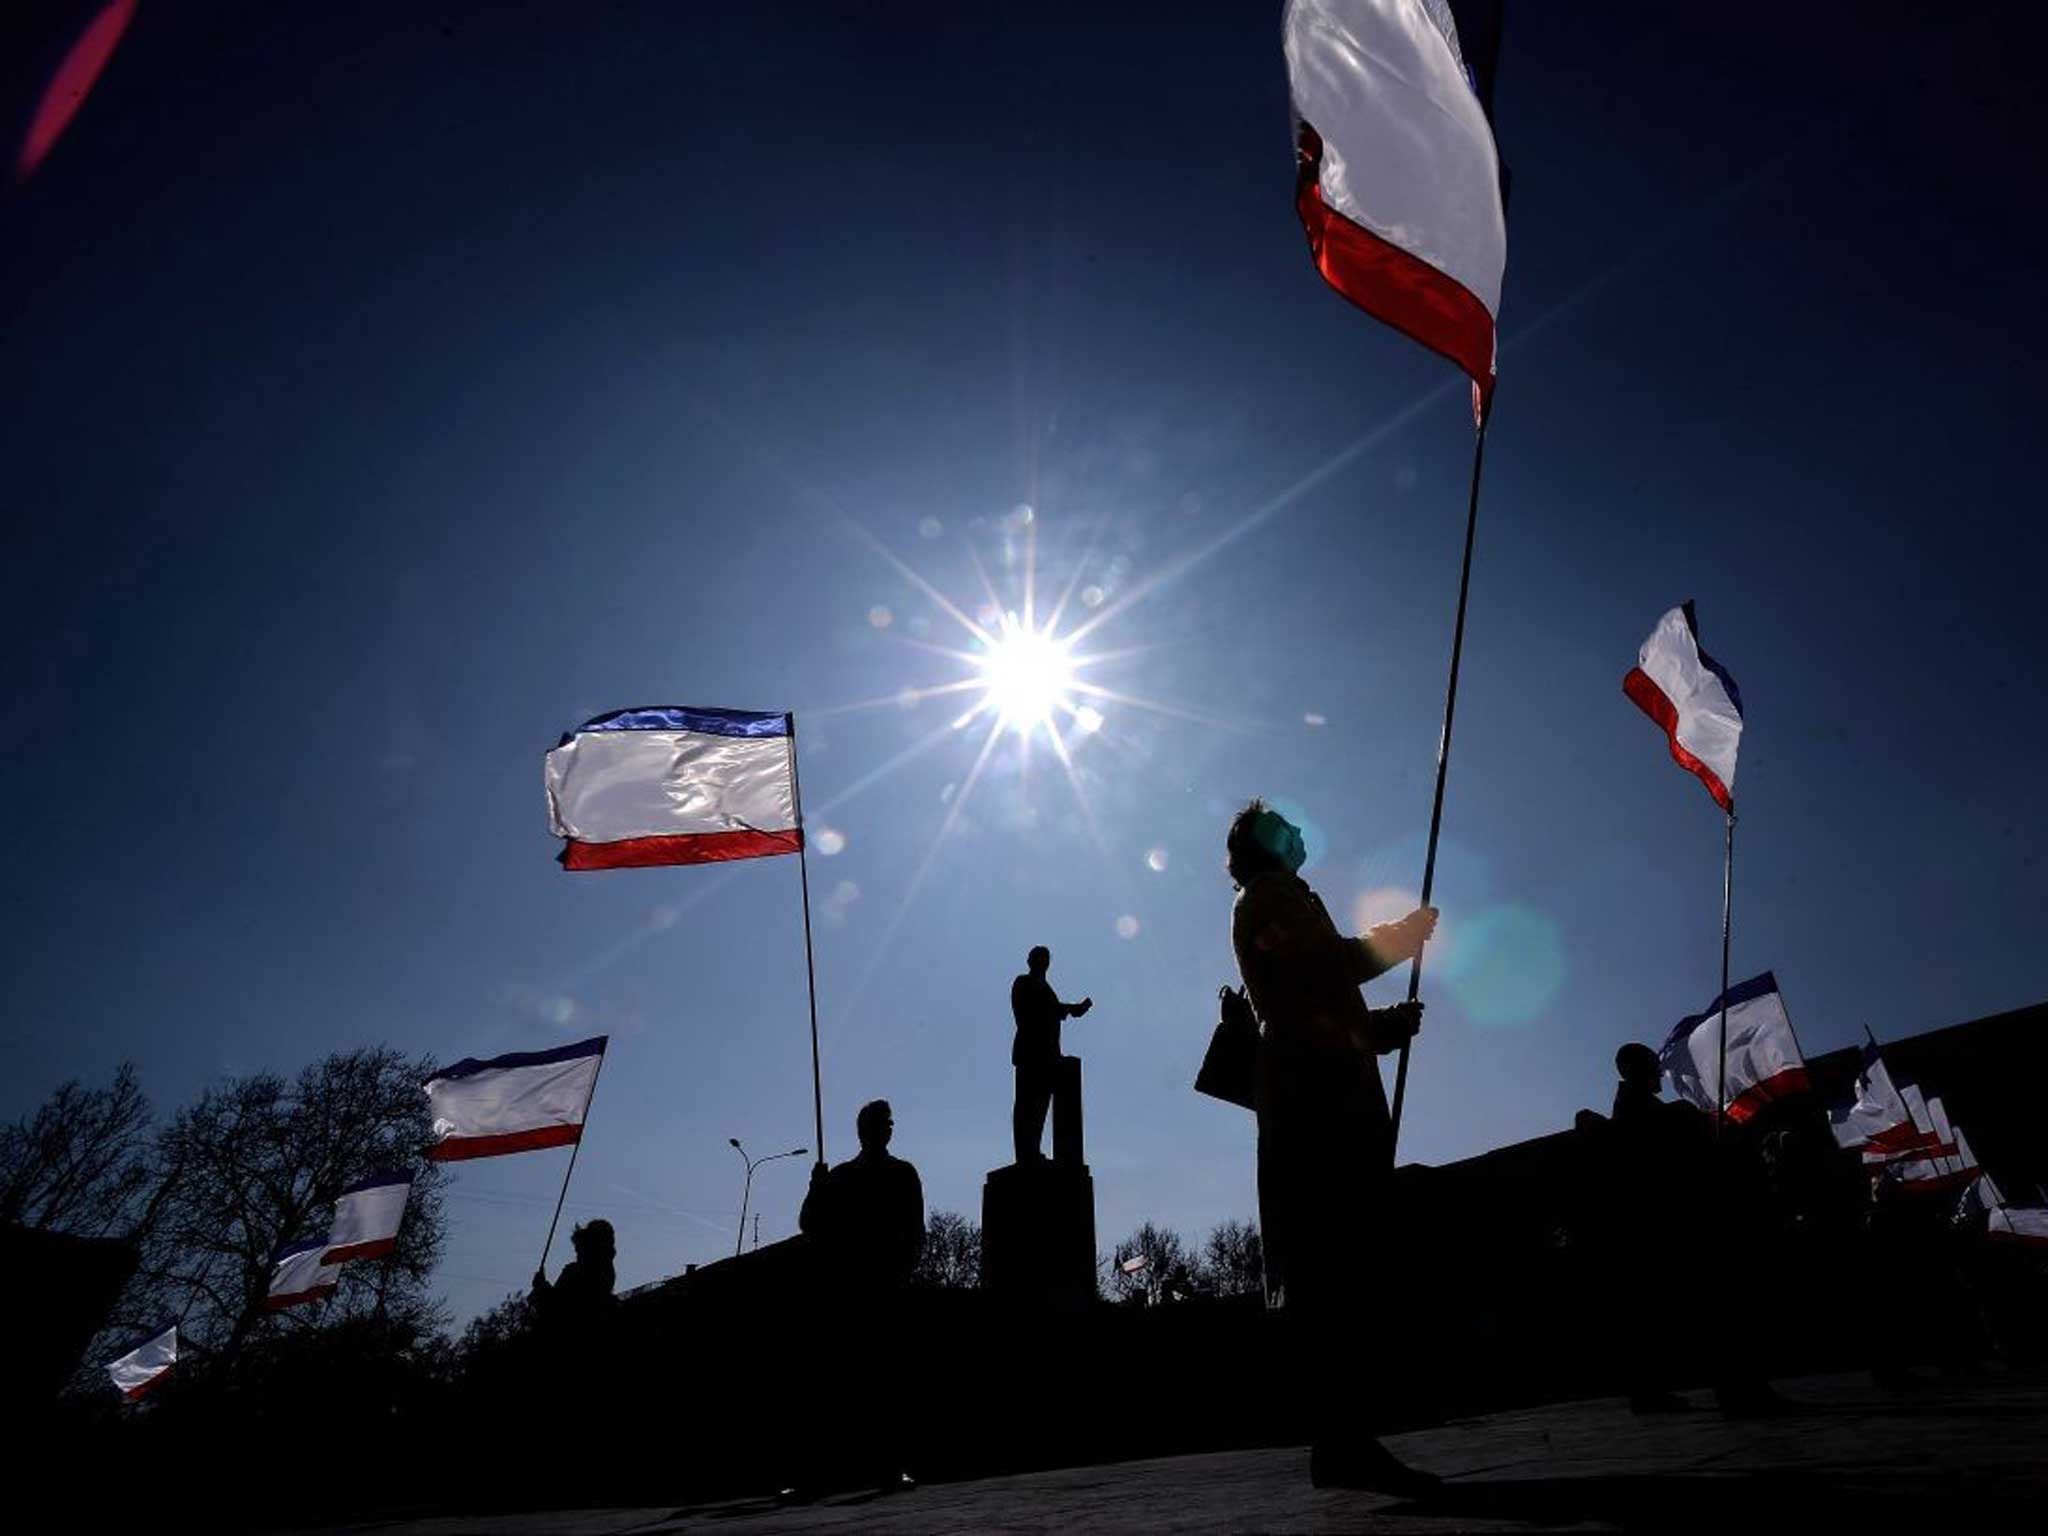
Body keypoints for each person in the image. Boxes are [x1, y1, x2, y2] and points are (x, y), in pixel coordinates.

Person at [1226, 799, 1439, 1493]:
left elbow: (1316, 1000)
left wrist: (1379, 1029)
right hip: (1312, 1102)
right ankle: (1342, 1441)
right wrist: (1400, 938)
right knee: (1332, 1265)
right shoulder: (1267, 898)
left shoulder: (1282, 897)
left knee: (1341, 1267)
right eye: (1283, 826)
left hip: (1321, 1088)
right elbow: (1321, 970)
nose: (1296, 831)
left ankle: (1342, 1440)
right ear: (1266, 845)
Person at [792, 1099, 924, 1497]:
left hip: (886, 1286)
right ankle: (825, 1470)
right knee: (841, 1382)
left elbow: (915, 1231)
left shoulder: (903, 1173)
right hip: (848, 1290)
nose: (888, 1128)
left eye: (889, 1122)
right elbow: (811, 1225)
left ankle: (890, 1466)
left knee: (888, 1382)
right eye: (881, 1122)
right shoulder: (842, 1177)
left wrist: (902, 1271)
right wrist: (817, 1187)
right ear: (864, 1130)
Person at [1009, 945, 1093, 1164]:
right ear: (1030, 961)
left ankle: (1033, 1152)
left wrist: (1071, 1009)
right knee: (1028, 1105)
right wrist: (1069, 1009)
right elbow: (1035, 1010)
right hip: (1031, 1053)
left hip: (1048, 1055)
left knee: (1040, 1106)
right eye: (1038, 958)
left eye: (1045, 958)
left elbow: (1051, 1008)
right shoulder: (1023, 983)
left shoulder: (1046, 988)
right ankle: (1026, 1155)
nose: (1042, 962)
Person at [530, 1218, 617, 1330]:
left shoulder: (575, 1272)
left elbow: (556, 1308)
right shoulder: (607, 1273)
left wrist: (540, 1287)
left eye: (579, 1250)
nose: (577, 1254)